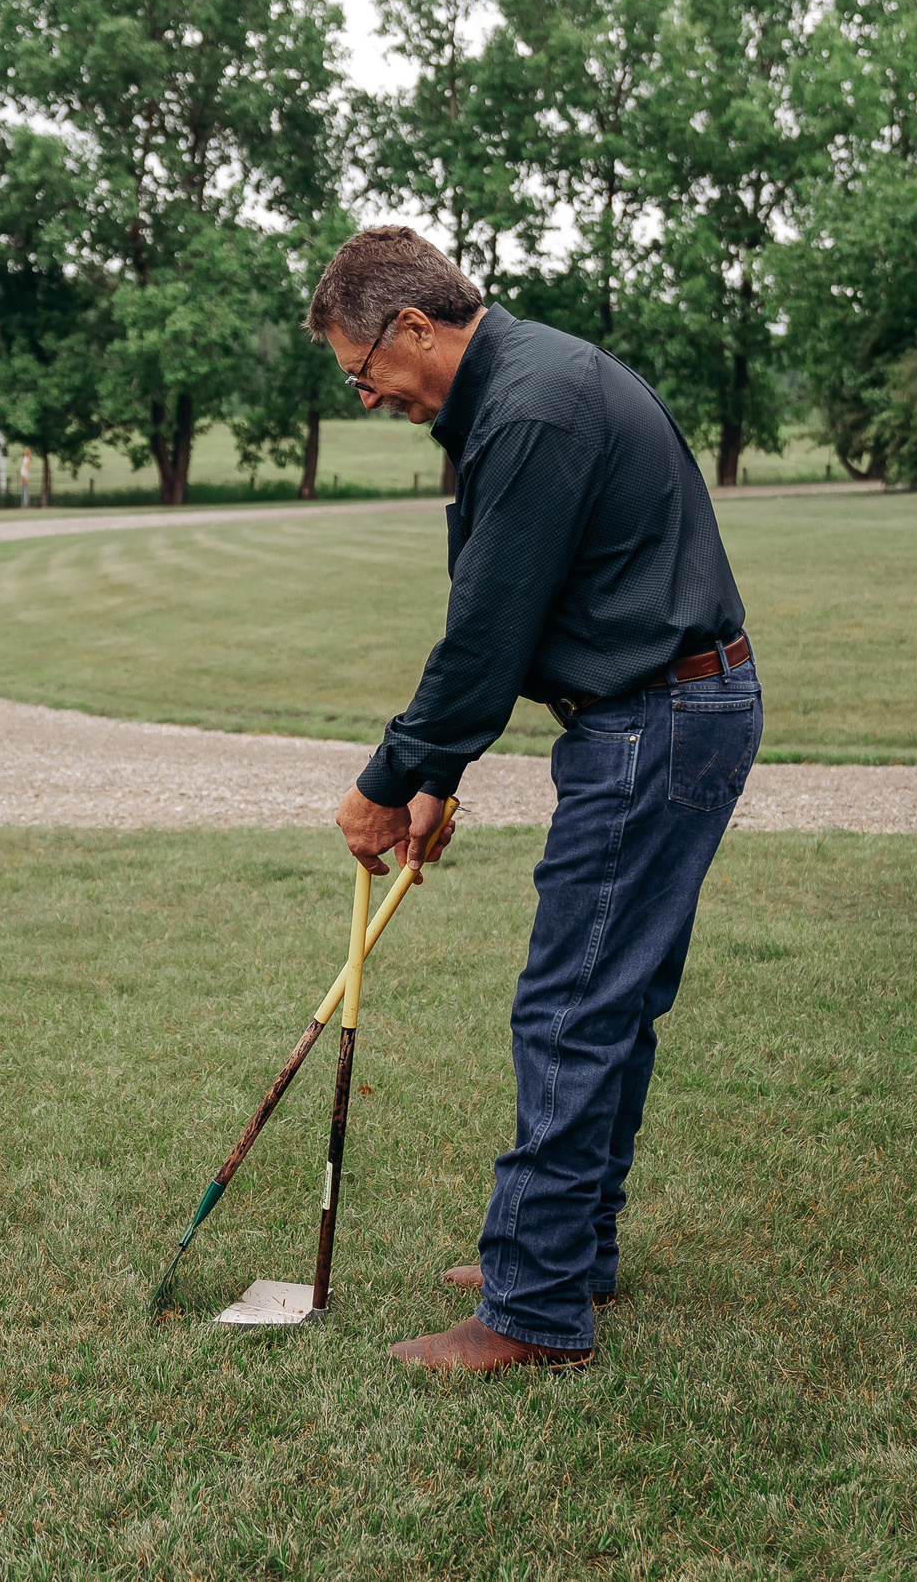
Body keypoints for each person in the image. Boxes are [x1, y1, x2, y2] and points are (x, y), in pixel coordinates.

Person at [311, 225, 756, 1374]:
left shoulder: (532, 407)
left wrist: (387, 780)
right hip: (674, 711)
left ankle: (535, 1305)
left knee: (571, 1005)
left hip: (655, 721)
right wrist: (440, 781)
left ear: (413, 327)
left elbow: (485, 634)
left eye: (363, 373)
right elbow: (510, 621)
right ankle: (570, 1251)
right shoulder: (528, 383)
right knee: (610, 997)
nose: (366, 398)